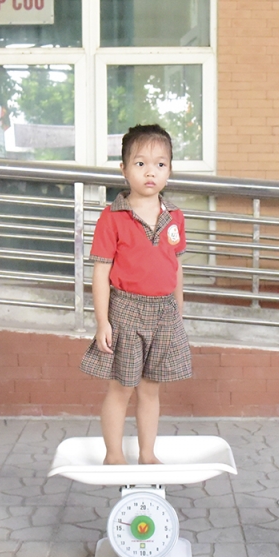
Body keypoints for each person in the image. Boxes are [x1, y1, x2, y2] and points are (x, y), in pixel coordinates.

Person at [81, 124, 191, 465]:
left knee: (150, 389)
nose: (150, 172)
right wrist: (102, 322)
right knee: (121, 389)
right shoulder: (112, 217)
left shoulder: (174, 216)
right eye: (140, 163)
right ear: (124, 169)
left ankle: (147, 454)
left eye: (160, 164)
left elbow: (176, 266)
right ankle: (113, 454)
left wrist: (179, 312)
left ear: (169, 170)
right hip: (125, 311)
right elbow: (100, 272)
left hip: (164, 313)